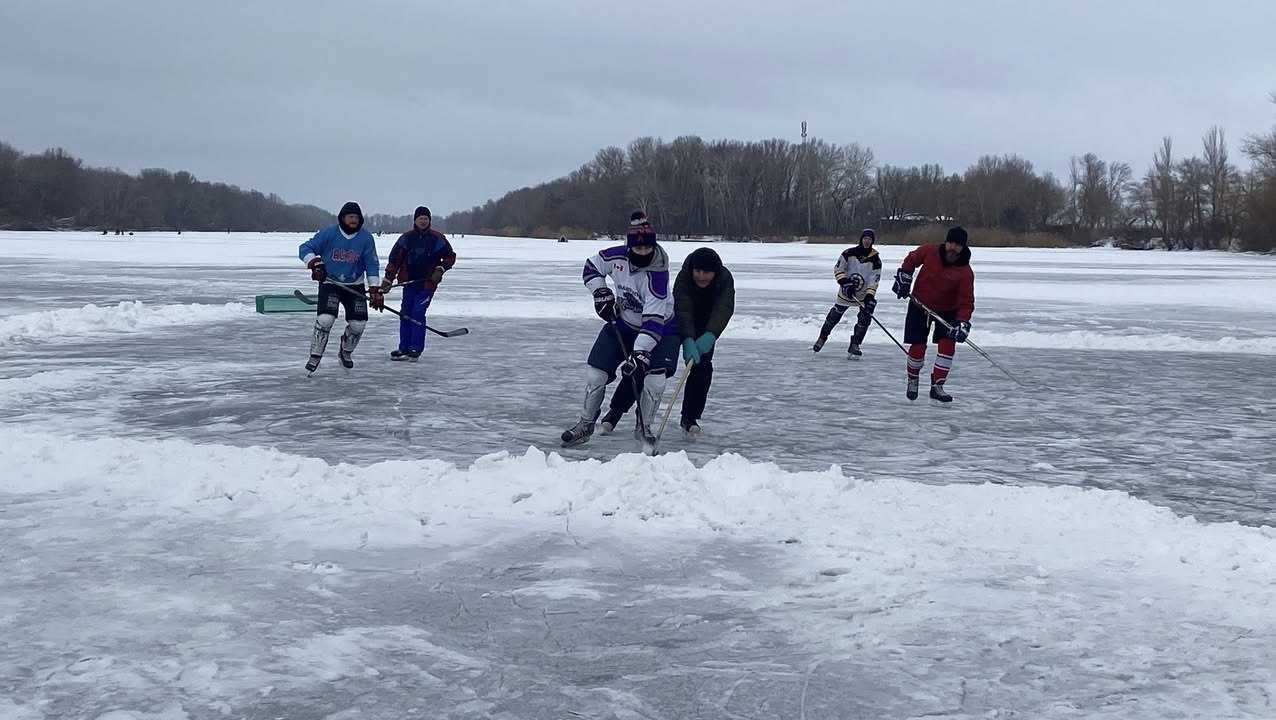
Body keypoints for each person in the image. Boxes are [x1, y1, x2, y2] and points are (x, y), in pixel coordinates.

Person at [560, 211, 678, 450]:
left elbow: (653, 319)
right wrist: (600, 292)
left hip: (661, 329)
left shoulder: (658, 274)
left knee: (654, 381)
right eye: (638, 249)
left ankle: (644, 426)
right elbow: (591, 267)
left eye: (648, 249)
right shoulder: (616, 257)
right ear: (630, 246)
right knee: (596, 375)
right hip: (622, 323)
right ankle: (585, 424)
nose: (643, 252)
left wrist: (641, 352)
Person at [600, 247, 735, 436]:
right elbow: (683, 307)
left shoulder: (725, 279)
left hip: (706, 328)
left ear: (715, 272)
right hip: (674, 323)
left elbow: (724, 308)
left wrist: (710, 335)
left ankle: (690, 418)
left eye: (706, 273)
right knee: (645, 364)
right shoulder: (685, 275)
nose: (701, 276)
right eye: (698, 271)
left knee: (702, 368)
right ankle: (615, 413)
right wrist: (687, 338)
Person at [891, 225, 975, 402]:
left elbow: (966, 302)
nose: (953, 247)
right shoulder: (930, 251)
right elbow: (911, 260)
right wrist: (904, 279)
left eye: (957, 245)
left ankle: (937, 386)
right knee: (918, 346)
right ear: (946, 242)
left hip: (948, 310)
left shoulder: (965, 273)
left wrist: (962, 323)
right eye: (950, 242)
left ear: (963, 247)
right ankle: (913, 379)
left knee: (947, 346)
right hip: (919, 304)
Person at [297, 201, 381, 374]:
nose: (353, 220)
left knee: (358, 325)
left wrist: (375, 288)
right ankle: (315, 354)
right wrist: (315, 264)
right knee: (326, 319)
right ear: (343, 218)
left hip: (355, 285)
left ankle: (346, 351)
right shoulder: (329, 233)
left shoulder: (366, 238)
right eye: (350, 217)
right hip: (331, 283)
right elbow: (305, 248)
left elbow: (371, 264)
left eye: (356, 217)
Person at [377, 206, 457, 362]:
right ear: (415, 220)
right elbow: (395, 260)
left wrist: (440, 269)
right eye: (420, 218)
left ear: (429, 221)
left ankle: (415, 348)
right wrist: (388, 280)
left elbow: (450, 257)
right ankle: (404, 348)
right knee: (405, 313)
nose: (423, 221)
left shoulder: (437, 238)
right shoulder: (406, 238)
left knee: (418, 312)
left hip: (427, 284)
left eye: (426, 218)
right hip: (409, 283)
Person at [813, 229, 882, 358]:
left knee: (864, 319)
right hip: (846, 293)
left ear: (872, 241)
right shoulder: (848, 253)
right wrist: (845, 282)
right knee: (833, 317)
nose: (867, 241)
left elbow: (874, 280)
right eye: (865, 238)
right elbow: (839, 269)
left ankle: (855, 344)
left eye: (870, 239)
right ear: (861, 239)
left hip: (862, 296)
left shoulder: (876, 260)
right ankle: (822, 338)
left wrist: (870, 296)